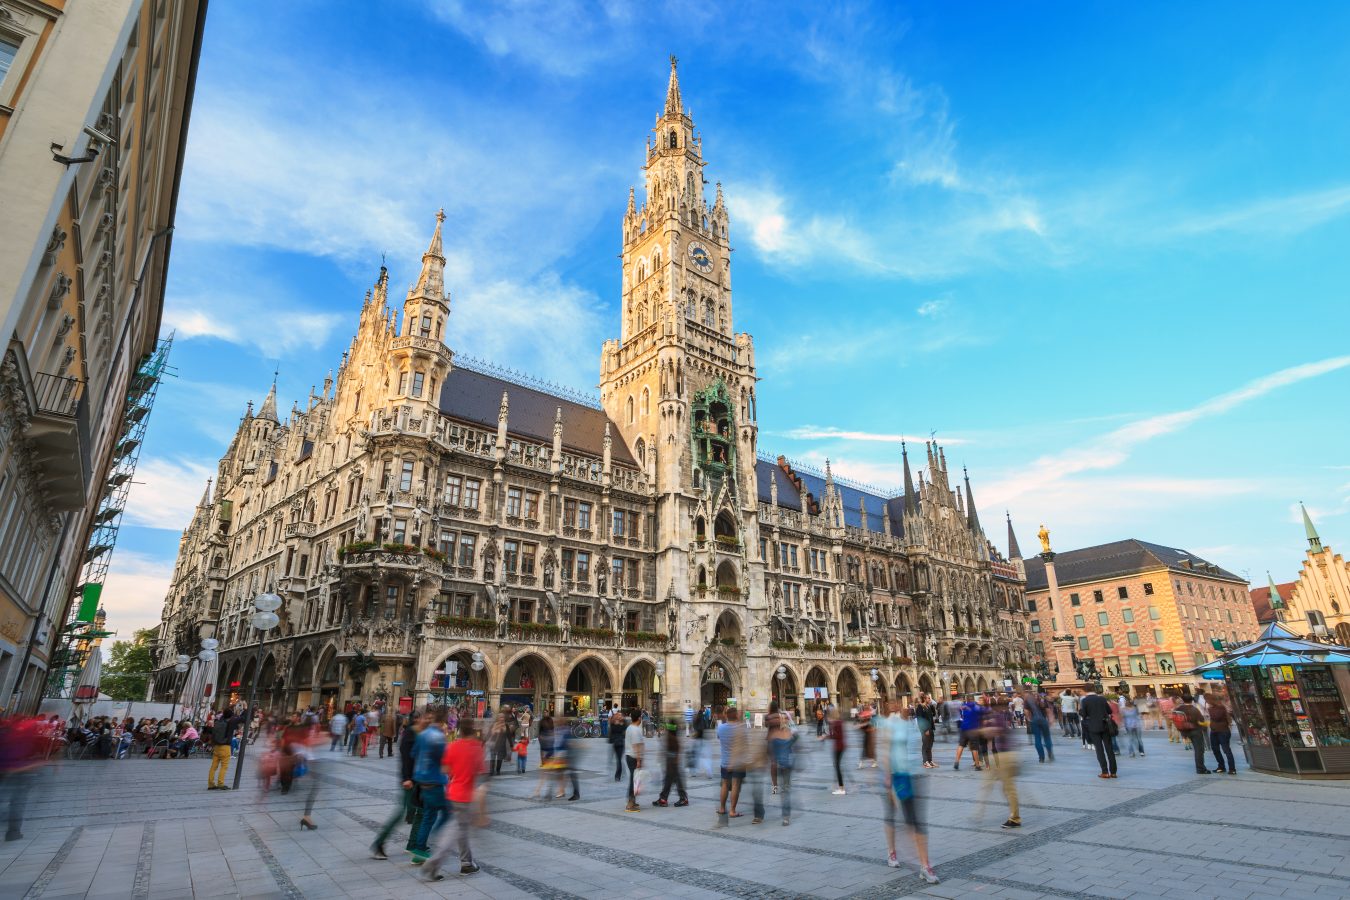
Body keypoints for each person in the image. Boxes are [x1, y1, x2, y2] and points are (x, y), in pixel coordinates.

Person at [877, 699, 940, 883]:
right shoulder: (887, 725)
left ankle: (924, 865)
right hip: (897, 776)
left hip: (914, 775)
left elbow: (925, 735)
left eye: (901, 704)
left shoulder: (913, 724)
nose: (899, 706)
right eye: (894, 705)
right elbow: (884, 749)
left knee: (916, 821)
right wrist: (887, 777)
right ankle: (893, 852)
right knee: (893, 815)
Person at [424, 718, 484, 880]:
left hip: (452, 792)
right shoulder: (476, 747)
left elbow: (445, 768)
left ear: (459, 730)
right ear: (473, 730)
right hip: (466, 796)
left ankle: (467, 864)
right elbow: (481, 773)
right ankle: (435, 862)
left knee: (461, 830)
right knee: (455, 831)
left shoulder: (453, 746)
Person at [371, 709, 426, 859]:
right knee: (402, 813)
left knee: (419, 811)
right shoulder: (409, 734)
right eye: (423, 719)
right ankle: (379, 843)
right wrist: (406, 778)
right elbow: (406, 758)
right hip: (410, 780)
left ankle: (413, 844)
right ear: (417, 719)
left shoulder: (416, 734)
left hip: (417, 779)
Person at [408, 708, 450, 865]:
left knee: (428, 816)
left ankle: (419, 849)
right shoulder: (438, 737)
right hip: (435, 781)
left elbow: (413, 754)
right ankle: (434, 841)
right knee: (448, 813)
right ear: (442, 721)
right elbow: (445, 761)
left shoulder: (423, 734)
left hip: (423, 782)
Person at [977, 697, 1021, 829]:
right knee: (1006, 788)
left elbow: (993, 732)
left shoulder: (998, 717)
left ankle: (1015, 818)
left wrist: (978, 730)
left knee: (1008, 789)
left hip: (1005, 756)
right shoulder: (1003, 715)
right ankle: (1014, 816)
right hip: (1006, 755)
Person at [1078, 685, 1117, 778]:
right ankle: (1113, 772)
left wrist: (1080, 711)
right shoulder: (1102, 699)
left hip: (1093, 727)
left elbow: (1084, 714)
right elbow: (1109, 711)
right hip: (1105, 725)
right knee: (1109, 749)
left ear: (1085, 691)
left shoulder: (1085, 700)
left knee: (1099, 750)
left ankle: (1105, 772)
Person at [716, 707, 746, 825]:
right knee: (735, 785)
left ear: (726, 715)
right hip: (738, 762)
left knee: (724, 784)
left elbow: (719, 737)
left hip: (725, 761)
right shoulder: (741, 729)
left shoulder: (721, 728)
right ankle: (732, 810)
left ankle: (722, 808)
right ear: (736, 715)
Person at [767, 712, 796, 825]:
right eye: (781, 718)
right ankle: (786, 813)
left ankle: (786, 816)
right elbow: (770, 751)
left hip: (787, 765)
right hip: (780, 765)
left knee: (785, 791)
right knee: (785, 791)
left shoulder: (791, 733)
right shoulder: (775, 734)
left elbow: (795, 748)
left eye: (785, 718)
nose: (783, 720)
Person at [208, 704, 245, 790]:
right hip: (225, 747)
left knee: (213, 766)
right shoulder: (230, 723)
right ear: (230, 716)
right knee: (224, 766)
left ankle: (211, 784)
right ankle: (220, 783)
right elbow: (243, 718)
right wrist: (245, 709)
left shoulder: (217, 722)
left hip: (216, 746)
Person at [653, 721, 689, 807]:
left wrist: (674, 760)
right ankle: (665, 798)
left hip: (672, 761)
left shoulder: (671, 737)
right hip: (671, 760)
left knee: (671, 779)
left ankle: (666, 799)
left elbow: (676, 749)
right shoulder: (672, 737)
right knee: (671, 779)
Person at [1173, 694, 1210, 774]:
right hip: (1195, 731)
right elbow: (1201, 720)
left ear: (1183, 700)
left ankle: (1200, 767)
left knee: (1197, 749)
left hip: (1184, 731)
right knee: (1199, 750)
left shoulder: (1178, 709)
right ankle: (1200, 768)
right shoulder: (1194, 709)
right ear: (1192, 700)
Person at [954, 695, 985, 771]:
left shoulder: (963, 707)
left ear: (966, 700)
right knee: (974, 748)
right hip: (973, 729)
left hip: (964, 728)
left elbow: (960, 715)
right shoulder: (976, 707)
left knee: (961, 745)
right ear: (973, 699)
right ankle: (977, 766)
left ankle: (956, 762)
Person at [1024, 689, 1055, 763]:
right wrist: (1051, 720)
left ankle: (1041, 758)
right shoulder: (1043, 701)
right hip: (1043, 720)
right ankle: (1050, 753)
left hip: (1034, 721)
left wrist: (1029, 719)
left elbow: (1026, 712)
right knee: (1047, 738)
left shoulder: (1028, 702)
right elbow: (1048, 712)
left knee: (1037, 739)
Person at [1207, 696, 1237, 774]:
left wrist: (1209, 710)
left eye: (1208, 701)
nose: (1207, 702)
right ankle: (1221, 766)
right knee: (1215, 749)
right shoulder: (1215, 708)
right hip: (1214, 731)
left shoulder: (1221, 708)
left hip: (1223, 731)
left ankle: (1232, 769)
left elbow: (1216, 717)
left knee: (1226, 750)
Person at [623, 708, 645, 812]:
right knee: (634, 781)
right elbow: (636, 746)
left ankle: (633, 801)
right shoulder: (636, 730)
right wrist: (639, 760)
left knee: (635, 780)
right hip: (634, 757)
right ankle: (630, 803)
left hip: (629, 756)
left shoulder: (629, 728)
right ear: (639, 718)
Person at [824, 705, 847, 794]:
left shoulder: (837, 723)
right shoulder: (839, 722)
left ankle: (841, 789)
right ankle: (840, 786)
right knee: (837, 765)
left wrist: (825, 736)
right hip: (840, 746)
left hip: (839, 747)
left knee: (837, 767)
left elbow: (835, 736)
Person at [914, 694, 938, 768]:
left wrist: (931, 706)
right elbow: (920, 720)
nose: (930, 700)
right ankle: (925, 761)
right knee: (925, 745)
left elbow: (934, 713)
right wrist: (925, 730)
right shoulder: (920, 707)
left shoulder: (928, 706)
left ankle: (930, 761)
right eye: (928, 698)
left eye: (930, 698)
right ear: (924, 699)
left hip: (930, 728)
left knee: (930, 745)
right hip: (925, 730)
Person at [608, 708, 626, 781]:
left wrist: (620, 723)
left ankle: (618, 775)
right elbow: (613, 731)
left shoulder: (620, 723)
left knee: (618, 759)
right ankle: (618, 774)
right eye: (618, 715)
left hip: (618, 743)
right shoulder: (616, 723)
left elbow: (620, 731)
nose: (619, 716)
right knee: (618, 759)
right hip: (617, 743)